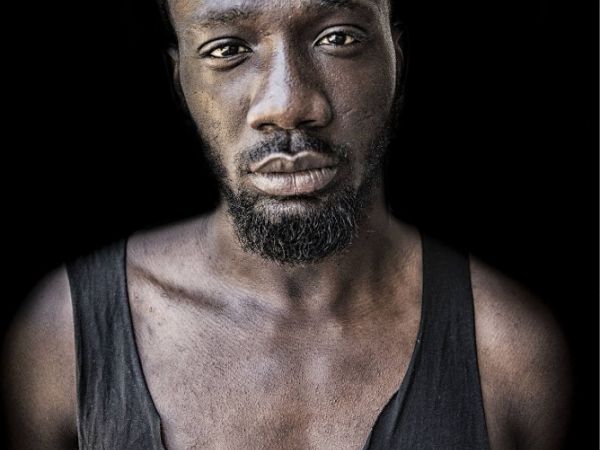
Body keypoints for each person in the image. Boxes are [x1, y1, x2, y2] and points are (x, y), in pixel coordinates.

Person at [2, 0, 571, 448]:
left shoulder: (510, 352)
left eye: (339, 38)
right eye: (227, 49)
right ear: (181, 79)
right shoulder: (64, 337)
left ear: (396, 58)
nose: (288, 104)